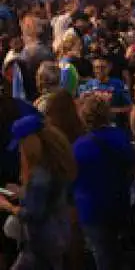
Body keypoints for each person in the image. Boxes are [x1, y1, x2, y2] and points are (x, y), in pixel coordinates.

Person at [0, 115, 77, 270]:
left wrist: (7, 206)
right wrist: (22, 193)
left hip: (41, 244)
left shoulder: (39, 177)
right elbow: (49, 198)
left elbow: (33, 214)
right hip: (58, 236)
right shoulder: (53, 166)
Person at [72, 92, 135, 270]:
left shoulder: (79, 146)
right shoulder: (121, 137)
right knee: (115, 253)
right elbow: (131, 166)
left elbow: (72, 177)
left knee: (102, 256)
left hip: (91, 210)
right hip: (119, 204)